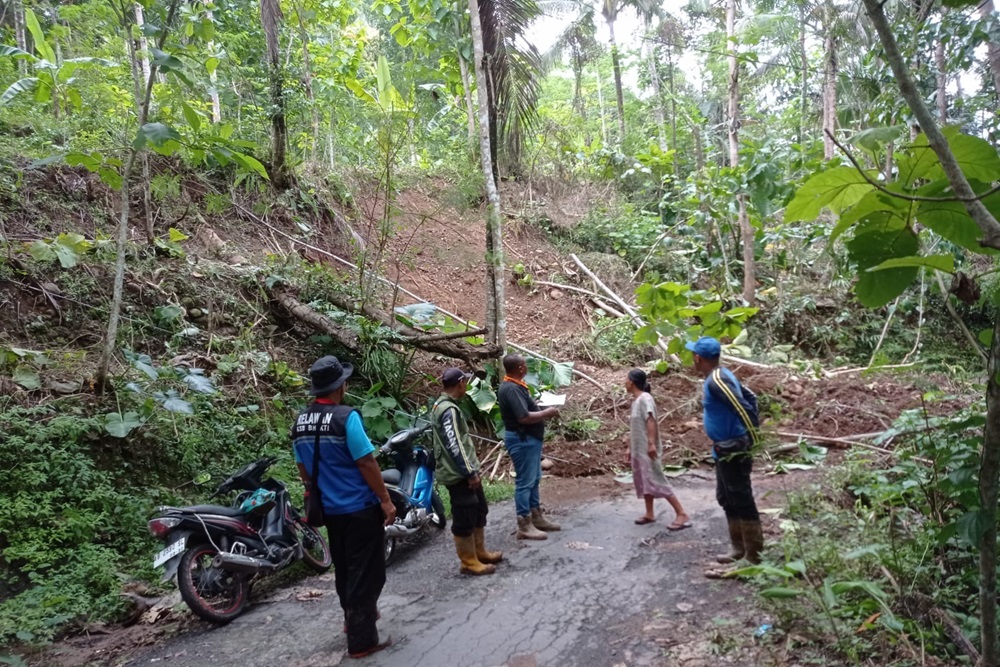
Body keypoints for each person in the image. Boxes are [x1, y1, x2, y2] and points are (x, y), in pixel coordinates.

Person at [292, 356, 396, 659]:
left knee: (346, 570)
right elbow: (365, 461)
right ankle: (362, 641)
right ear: (341, 386)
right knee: (368, 572)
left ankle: (352, 621)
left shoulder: (300, 422)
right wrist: (386, 500)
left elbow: (303, 469)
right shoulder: (345, 417)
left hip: (330, 510)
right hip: (359, 507)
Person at [686, 337, 764, 566]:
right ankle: (738, 548)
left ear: (698, 358)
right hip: (722, 449)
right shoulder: (720, 376)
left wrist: (749, 441)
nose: (692, 359)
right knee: (727, 497)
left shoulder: (717, 380)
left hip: (734, 449)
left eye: (693, 356)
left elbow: (744, 406)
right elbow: (751, 397)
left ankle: (754, 555)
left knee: (741, 499)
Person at [431, 368, 503, 575]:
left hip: (463, 471)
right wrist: (469, 472)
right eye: (466, 382)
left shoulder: (443, 405)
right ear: (460, 383)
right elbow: (454, 444)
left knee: (479, 509)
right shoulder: (448, 410)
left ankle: (479, 551)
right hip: (459, 474)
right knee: (465, 513)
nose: (467, 386)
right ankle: (468, 561)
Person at [497, 354, 561, 540]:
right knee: (525, 482)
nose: (527, 367)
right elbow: (523, 417)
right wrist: (547, 413)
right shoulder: (511, 389)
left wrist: (539, 407)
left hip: (529, 440)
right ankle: (524, 524)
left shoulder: (516, 387)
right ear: (519, 368)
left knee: (534, 479)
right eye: (525, 365)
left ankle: (536, 516)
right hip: (522, 440)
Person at [625, 368, 691, 529]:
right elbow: (635, 427)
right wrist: (629, 448)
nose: (624, 382)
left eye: (626, 379)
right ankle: (649, 513)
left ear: (632, 382)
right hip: (638, 449)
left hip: (647, 448)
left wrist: (651, 443)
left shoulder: (645, 398)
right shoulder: (636, 400)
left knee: (657, 478)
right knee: (645, 479)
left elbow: (651, 420)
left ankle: (681, 513)